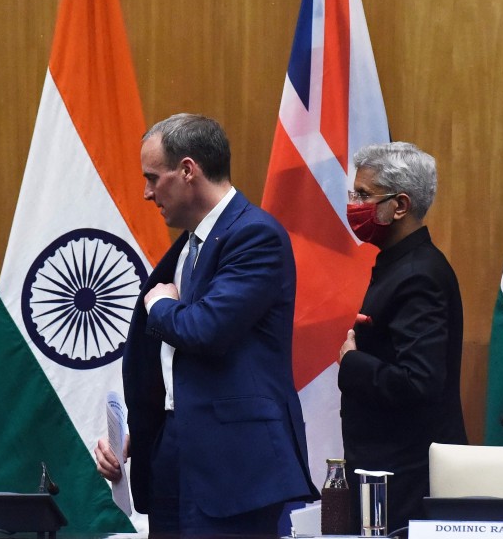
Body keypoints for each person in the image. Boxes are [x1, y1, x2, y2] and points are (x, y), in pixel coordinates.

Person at [95, 113, 318, 536]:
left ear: (187, 170)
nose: (146, 193)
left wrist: (160, 306)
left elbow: (206, 330)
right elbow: (176, 364)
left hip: (234, 467)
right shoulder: (190, 245)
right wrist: (143, 435)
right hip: (174, 449)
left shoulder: (256, 236)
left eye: (152, 178)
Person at [338, 142, 468, 533]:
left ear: (400, 205)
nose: (354, 205)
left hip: (406, 478)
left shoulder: (418, 275)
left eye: (364, 195)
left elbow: (419, 381)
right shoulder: (400, 265)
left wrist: (352, 361)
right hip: (388, 470)